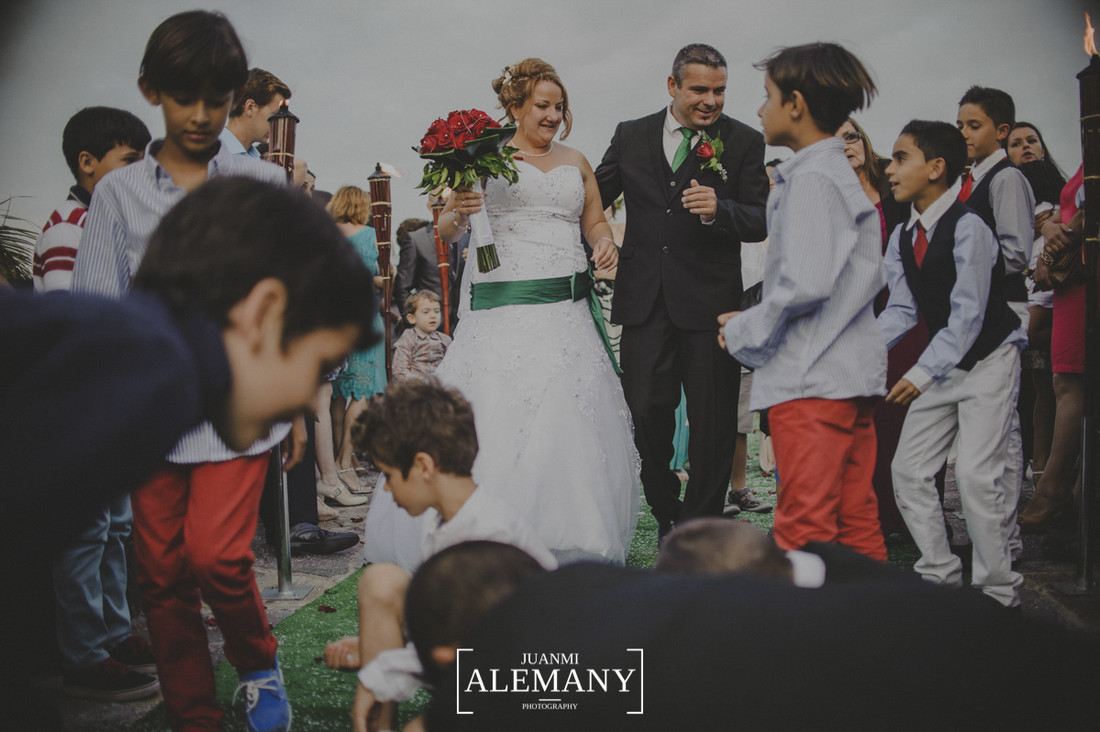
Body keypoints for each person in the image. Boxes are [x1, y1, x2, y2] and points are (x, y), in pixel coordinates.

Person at [1, 177, 377, 731]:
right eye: (316, 361)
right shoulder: (136, 381)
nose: (306, 398)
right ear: (264, 312)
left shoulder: (153, 375)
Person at [67, 12, 298, 731]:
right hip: (150, 416)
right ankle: (191, 706)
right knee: (161, 573)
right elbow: (98, 314)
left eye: (219, 98)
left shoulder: (263, 181)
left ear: (236, 97)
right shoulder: (116, 196)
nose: (201, 115)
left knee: (218, 557)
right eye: (182, 97)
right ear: (150, 91)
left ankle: (259, 663)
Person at [367, 58, 640, 566]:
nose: (553, 115)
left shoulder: (578, 160)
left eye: (559, 106)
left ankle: (574, 537)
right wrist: (457, 210)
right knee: (500, 415)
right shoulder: (483, 160)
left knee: (571, 420)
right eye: (542, 105)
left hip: (567, 312)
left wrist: (605, 245)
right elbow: (448, 230)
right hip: (504, 311)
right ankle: (484, 536)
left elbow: (595, 220)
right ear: (515, 107)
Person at [413, 542, 1098, 731]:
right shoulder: (592, 588)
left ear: (452, 656)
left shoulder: (505, 667)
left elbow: (496, 688)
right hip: (971, 641)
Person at [720, 42, 887, 561]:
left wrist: (745, 329)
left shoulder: (813, 177)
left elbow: (805, 283)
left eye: (766, 96)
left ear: (795, 104)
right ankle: (876, 632)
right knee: (855, 522)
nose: (757, 109)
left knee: (803, 527)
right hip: (847, 373)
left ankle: (806, 639)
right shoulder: (837, 174)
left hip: (812, 380)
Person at [595, 43, 769, 540]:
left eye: (719, 91)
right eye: (700, 90)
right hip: (645, 300)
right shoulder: (631, 136)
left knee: (713, 421)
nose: (711, 101)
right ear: (673, 86)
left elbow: (758, 220)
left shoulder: (744, 142)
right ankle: (665, 502)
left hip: (711, 304)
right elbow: (594, 198)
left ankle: (699, 522)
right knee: (645, 407)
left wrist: (720, 210)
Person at [320, 379, 555, 732]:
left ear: (424, 466)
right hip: (479, 665)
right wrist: (376, 649)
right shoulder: (449, 517)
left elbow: (481, 654)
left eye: (388, 474)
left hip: (523, 686)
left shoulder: (487, 536)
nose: (386, 487)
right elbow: (449, 622)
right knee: (381, 580)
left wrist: (385, 668)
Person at [32, 105, 156, 702]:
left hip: (112, 401)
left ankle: (113, 629)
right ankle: (84, 652)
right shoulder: (67, 228)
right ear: (87, 164)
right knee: (85, 531)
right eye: (128, 163)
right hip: (78, 404)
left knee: (116, 526)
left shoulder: (106, 225)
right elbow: (67, 322)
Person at [879, 120, 1025, 607]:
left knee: (975, 477)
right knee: (909, 470)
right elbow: (900, 309)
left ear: (936, 168)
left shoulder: (970, 229)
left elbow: (968, 318)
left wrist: (918, 375)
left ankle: (997, 594)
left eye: (901, 158)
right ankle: (938, 578)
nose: (889, 167)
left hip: (989, 359)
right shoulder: (902, 235)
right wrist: (857, 353)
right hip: (943, 365)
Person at [955, 86, 1035, 559]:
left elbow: (1016, 252)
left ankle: (1005, 542)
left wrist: (957, 267)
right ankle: (993, 536)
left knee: (1001, 434)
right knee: (987, 432)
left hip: (1000, 312)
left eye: (974, 125)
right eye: (961, 124)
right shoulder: (971, 180)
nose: (963, 133)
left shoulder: (1004, 180)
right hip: (975, 316)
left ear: (1001, 131)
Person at [836, 117, 916, 539]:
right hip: (854, 315)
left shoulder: (894, 187)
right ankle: (872, 512)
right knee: (865, 415)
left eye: (851, 136)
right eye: (834, 142)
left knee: (902, 413)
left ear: (864, 138)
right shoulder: (828, 195)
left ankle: (908, 514)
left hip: (904, 311)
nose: (846, 145)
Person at [1023, 164, 1085, 532]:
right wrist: (1049, 225)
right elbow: (1068, 210)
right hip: (1071, 281)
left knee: (1069, 382)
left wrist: (1047, 256)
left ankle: (1055, 488)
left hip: (1078, 272)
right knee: (1059, 382)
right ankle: (1074, 490)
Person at [327, 185, 387, 497]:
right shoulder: (368, 236)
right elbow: (378, 275)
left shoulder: (326, 235)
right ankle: (345, 462)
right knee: (362, 391)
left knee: (337, 393)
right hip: (363, 317)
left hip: (333, 319)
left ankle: (338, 460)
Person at [219, 67, 291, 157]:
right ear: (250, 107)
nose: (277, 126)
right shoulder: (211, 154)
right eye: (273, 115)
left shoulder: (256, 159)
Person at [392, 290, 451, 381]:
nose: (433, 316)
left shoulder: (445, 339)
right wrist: (420, 382)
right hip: (415, 388)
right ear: (412, 318)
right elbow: (400, 370)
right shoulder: (409, 337)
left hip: (439, 386)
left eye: (436, 311)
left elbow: (451, 365)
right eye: (426, 312)